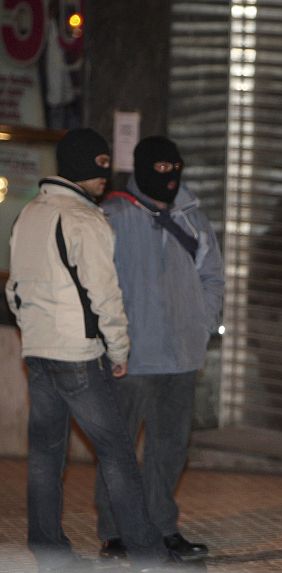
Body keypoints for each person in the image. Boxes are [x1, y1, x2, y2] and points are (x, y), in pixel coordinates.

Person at [4, 128, 171, 571]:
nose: (105, 180)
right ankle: (148, 553)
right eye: (99, 170)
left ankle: (48, 549)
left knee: (44, 456)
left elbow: (14, 289)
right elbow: (105, 295)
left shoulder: (29, 214)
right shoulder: (85, 220)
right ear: (81, 169)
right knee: (116, 453)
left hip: (38, 350)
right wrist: (119, 350)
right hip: (78, 353)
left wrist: (33, 331)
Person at [94, 136, 224, 562]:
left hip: (182, 356)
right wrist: (113, 340)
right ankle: (116, 533)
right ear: (144, 169)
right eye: (161, 170)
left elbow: (212, 277)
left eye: (176, 168)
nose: (170, 177)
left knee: (170, 448)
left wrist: (200, 325)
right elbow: (96, 284)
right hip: (131, 356)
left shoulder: (193, 218)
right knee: (119, 448)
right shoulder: (112, 215)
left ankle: (161, 528)